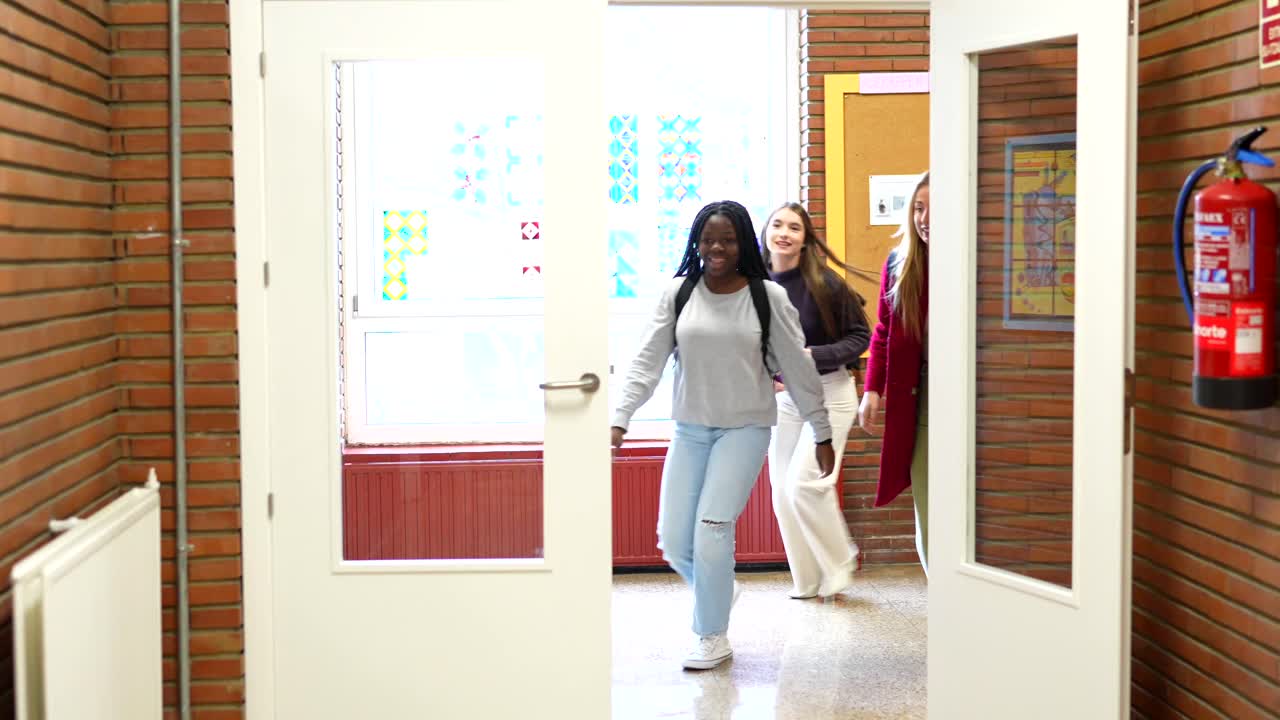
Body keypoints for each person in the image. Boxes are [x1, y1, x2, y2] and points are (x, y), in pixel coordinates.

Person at [611, 200, 835, 671]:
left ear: (742, 245)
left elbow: (797, 367)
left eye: (728, 239)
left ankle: (711, 635)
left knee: (712, 531)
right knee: (674, 540)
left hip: (746, 428)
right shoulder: (679, 294)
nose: (717, 247)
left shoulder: (766, 297)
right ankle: (719, 589)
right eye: (709, 238)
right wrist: (620, 417)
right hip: (691, 429)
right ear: (697, 241)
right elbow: (645, 363)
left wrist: (821, 428)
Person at [761, 202, 872, 600]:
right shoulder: (755, 285)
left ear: (806, 239)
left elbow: (862, 337)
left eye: (795, 227)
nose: (785, 232)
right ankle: (807, 580)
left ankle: (841, 561)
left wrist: (813, 357)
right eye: (778, 224)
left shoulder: (826, 284)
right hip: (789, 398)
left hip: (831, 395)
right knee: (780, 491)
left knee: (805, 485)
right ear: (766, 231)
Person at [858, 171, 931, 574]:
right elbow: (884, 329)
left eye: (934, 208)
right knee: (927, 501)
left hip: (968, 398)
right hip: (917, 401)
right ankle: (945, 598)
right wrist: (873, 390)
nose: (925, 218)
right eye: (918, 208)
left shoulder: (972, 259)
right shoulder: (899, 263)